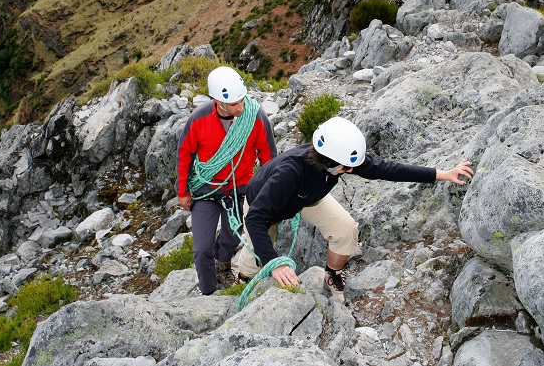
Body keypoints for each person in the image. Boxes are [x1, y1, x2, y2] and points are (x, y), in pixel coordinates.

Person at [231, 116, 474, 301]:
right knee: (257, 257)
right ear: (328, 161)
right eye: (346, 168)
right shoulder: (289, 172)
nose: (351, 171)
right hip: (263, 208)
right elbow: (255, 218)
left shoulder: (341, 158)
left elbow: (389, 170)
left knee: (346, 229)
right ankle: (243, 276)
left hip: (304, 200)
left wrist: (443, 174)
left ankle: (332, 274)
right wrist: (276, 264)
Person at [176, 65, 277, 295]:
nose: (242, 107)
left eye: (242, 100)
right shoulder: (198, 119)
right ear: (218, 101)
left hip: (241, 187)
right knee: (202, 248)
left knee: (234, 236)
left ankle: (223, 264)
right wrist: (183, 191)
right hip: (207, 190)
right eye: (234, 104)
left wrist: (269, 191)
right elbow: (184, 155)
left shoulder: (255, 115)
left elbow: (269, 157)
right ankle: (208, 291)